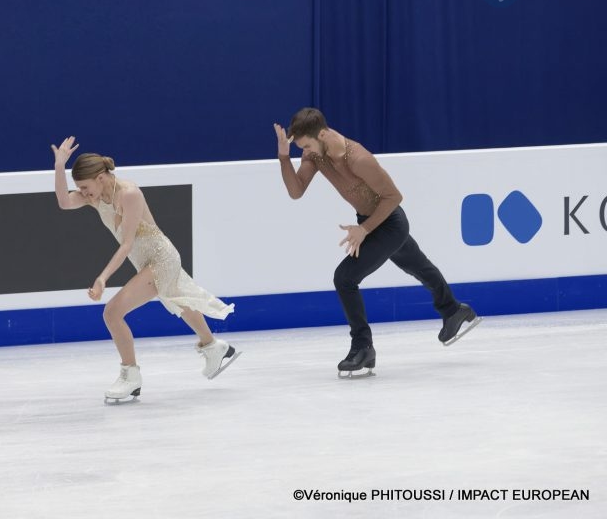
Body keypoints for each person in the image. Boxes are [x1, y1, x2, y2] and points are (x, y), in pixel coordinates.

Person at [274, 108, 480, 377]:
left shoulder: (358, 158)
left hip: (389, 223)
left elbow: (394, 197)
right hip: (368, 220)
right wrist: (283, 156)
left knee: (344, 278)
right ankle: (453, 310)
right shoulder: (315, 152)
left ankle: (363, 347)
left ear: (322, 134)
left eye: (307, 145)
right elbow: (296, 191)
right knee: (418, 265)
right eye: (302, 147)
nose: (307, 151)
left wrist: (364, 229)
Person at [52, 136, 240, 402]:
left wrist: (103, 278)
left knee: (112, 312)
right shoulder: (94, 198)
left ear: (101, 177)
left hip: (161, 259)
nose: (82, 193)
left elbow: (127, 244)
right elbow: (63, 201)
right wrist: (59, 165)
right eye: (79, 188)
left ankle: (130, 377)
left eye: (84, 187)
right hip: (147, 261)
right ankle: (213, 347)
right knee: (181, 302)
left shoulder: (129, 194)